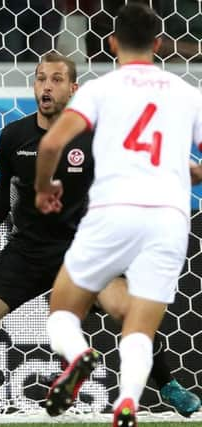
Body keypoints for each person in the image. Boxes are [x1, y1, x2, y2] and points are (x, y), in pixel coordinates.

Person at [0, 51, 200, 425]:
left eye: (56, 80)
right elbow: (4, 189)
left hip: (85, 248)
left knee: (129, 312)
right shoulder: (14, 136)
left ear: (73, 89)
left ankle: (168, 384)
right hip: (27, 251)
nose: (46, 87)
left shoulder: (98, 137)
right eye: (41, 78)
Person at [35, 4, 202, 427]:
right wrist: (189, 172)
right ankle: (128, 400)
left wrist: (44, 189)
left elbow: (52, 145)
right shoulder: (187, 93)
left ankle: (78, 355)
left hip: (112, 211)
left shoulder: (100, 89)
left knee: (62, 313)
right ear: (159, 44)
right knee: (140, 328)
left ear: (112, 44)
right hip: (169, 216)